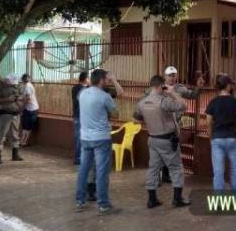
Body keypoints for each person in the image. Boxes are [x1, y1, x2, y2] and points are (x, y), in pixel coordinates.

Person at [134, 75, 191, 208]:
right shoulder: (163, 101)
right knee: (176, 168)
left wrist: (150, 123)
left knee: (153, 168)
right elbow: (184, 105)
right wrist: (172, 92)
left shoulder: (142, 102)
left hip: (152, 138)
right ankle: (177, 199)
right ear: (161, 86)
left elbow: (136, 119)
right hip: (167, 140)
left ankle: (152, 199)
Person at [75, 69, 124, 215]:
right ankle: (103, 204)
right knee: (102, 172)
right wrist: (114, 80)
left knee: (83, 170)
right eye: (106, 79)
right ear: (102, 80)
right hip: (101, 138)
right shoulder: (104, 96)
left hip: (85, 138)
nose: (108, 81)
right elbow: (115, 113)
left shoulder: (82, 94)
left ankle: (80, 201)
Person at [158, 66, 205, 183]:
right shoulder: (159, 88)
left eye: (174, 75)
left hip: (175, 124)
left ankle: (166, 174)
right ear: (165, 76)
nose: (172, 77)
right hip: (161, 123)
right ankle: (158, 175)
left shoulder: (180, 88)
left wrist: (199, 87)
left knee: (172, 150)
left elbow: (193, 95)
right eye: (170, 75)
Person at [206, 74, 236, 192]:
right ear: (228, 86)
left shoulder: (213, 102)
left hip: (217, 138)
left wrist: (211, 138)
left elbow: (208, 122)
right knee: (235, 170)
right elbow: (232, 101)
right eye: (230, 84)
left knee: (218, 172)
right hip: (232, 138)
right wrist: (233, 90)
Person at [0, 73, 25, 164]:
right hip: (5, 114)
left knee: (15, 134)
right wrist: (8, 99)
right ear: (7, 81)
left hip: (16, 113)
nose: (14, 84)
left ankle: (15, 155)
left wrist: (18, 98)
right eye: (12, 82)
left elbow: (22, 97)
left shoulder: (16, 87)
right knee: (1, 135)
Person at [72, 72, 90, 165]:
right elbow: (78, 99)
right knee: (79, 137)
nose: (89, 80)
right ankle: (78, 158)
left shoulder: (84, 88)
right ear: (85, 79)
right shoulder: (78, 88)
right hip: (79, 116)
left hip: (82, 116)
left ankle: (82, 157)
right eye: (88, 78)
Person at [20, 74, 39, 147]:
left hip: (31, 108)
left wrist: (22, 107)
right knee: (26, 126)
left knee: (27, 126)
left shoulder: (27, 86)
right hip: (29, 108)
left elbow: (28, 98)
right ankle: (23, 141)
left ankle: (24, 141)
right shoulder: (25, 86)